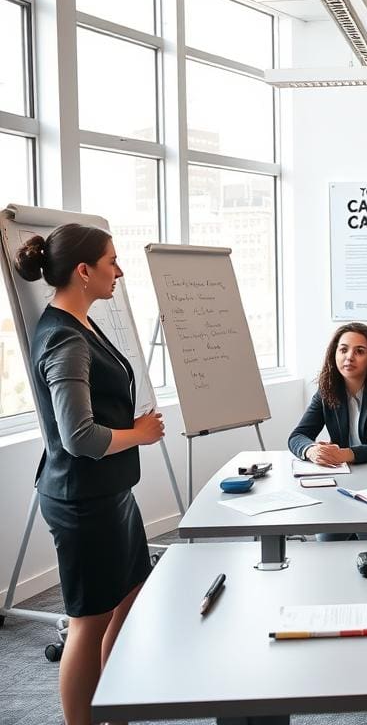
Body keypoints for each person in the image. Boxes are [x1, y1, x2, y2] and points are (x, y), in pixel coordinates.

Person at [15, 224, 165, 725]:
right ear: (84, 271)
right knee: (88, 620)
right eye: (112, 262)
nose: (119, 272)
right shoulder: (64, 338)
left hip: (111, 492)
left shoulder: (81, 323)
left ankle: (113, 703)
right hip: (84, 498)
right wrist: (140, 434)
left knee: (127, 597)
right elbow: (79, 438)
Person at [288, 322, 367, 465]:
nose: (349, 357)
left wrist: (345, 454)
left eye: (359, 351)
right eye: (343, 350)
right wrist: (312, 450)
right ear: (334, 353)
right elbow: (298, 436)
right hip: (343, 471)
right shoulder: (328, 388)